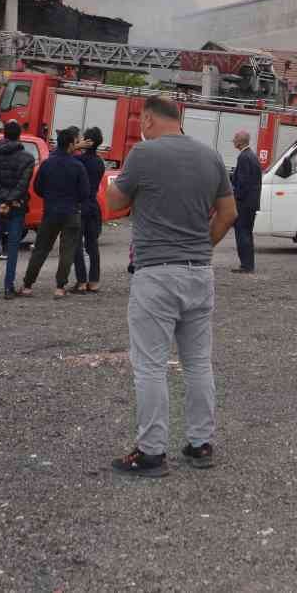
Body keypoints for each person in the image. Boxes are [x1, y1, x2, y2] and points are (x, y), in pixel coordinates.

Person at [105, 96, 236, 476]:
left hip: (156, 274)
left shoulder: (143, 154)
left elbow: (114, 202)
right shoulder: (210, 156)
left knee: (150, 366)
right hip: (199, 272)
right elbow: (228, 213)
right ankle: (200, 444)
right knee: (198, 363)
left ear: (147, 119)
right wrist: (201, 247)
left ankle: (151, 453)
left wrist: (114, 178)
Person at [20, 127, 91, 298]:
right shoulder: (77, 166)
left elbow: (37, 187)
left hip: (50, 211)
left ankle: (27, 285)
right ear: (71, 145)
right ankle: (60, 287)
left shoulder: (47, 164)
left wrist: (50, 197)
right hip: (71, 212)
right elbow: (85, 193)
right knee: (67, 251)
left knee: (41, 249)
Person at [0, 121, 36, 300]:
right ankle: (8, 288)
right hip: (17, 206)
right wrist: (10, 200)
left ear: (4, 135)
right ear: (19, 135)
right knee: (12, 248)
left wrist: (2, 200)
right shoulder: (27, 158)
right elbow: (23, 185)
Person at [72, 127, 106, 291]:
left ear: (87, 141)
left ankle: (81, 281)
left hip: (79, 205)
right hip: (93, 205)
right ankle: (94, 281)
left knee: (76, 244)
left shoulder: (78, 161)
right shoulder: (99, 162)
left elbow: (59, 156)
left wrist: (76, 147)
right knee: (92, 245)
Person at [229, 130, 262, 274]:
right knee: (247, 233)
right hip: (251, 203)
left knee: (242, 233)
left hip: (244, 204)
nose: (233, 140)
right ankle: (248, 264)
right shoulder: (251, 156)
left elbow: (242, 183)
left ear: (240, 141)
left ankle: (246, 265)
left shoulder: (244, 157)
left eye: (235, 138)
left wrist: (235, 198)